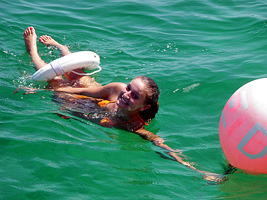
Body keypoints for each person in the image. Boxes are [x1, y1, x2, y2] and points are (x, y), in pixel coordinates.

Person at [23, 27, 225, 182]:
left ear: (144, 107)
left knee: (58, 80)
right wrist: (43, 91)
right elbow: (82, 91)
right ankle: (52, 48)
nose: (126, 94)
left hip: (81, 109)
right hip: (90, 95)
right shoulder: (116, 89)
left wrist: (200, 172)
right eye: (129, 88)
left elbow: (164, 147)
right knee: (71, 76)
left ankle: (42, 53)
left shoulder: (133, 126)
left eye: (135, 96)